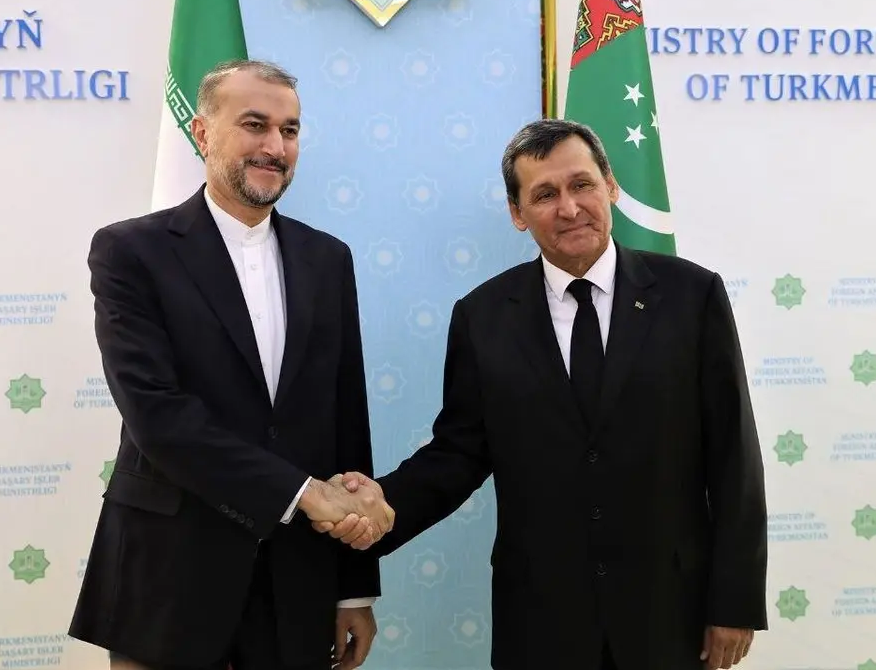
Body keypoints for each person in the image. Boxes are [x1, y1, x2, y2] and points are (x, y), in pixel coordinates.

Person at [315, 119, 768, 670]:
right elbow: (459, 454)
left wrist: (735, 601)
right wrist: (380, 506)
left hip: (671, 614)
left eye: (582, 185)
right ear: (517, 213)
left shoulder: (692, 296)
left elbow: (733, 459)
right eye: (545, 194)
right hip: (541, 621)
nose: (570, 208)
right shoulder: (482, 317)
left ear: (611, 186)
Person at [69, 59, 395, 670]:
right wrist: (302, 494)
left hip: (296, 581)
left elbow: (345, 419)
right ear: (202, 133)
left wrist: (353, 587)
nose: (275, 146)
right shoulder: (130, 251)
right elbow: (156, 415)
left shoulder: (328, 259)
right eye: (254, 124)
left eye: (289, 130)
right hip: (168, 579)